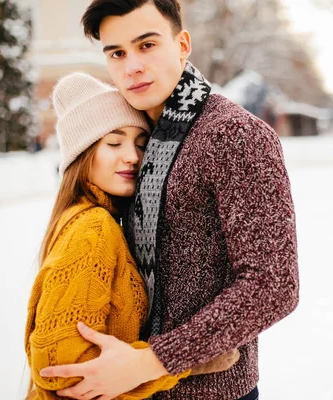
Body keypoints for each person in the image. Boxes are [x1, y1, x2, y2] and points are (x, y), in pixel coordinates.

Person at [39, 1, 300, 399]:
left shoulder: (232, 135)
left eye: (147, 45)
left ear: (182, 44)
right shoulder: (140, 134)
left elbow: (273, 285)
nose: (132, 67)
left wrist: (152, 361)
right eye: (117, 53)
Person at [25, 72, 239, 400]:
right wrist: (184, 363)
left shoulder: (91, 219)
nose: (133, 156)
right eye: (114, 142)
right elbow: (60, 366)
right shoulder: (93, 229)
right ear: (82, 153)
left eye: (141, 144)